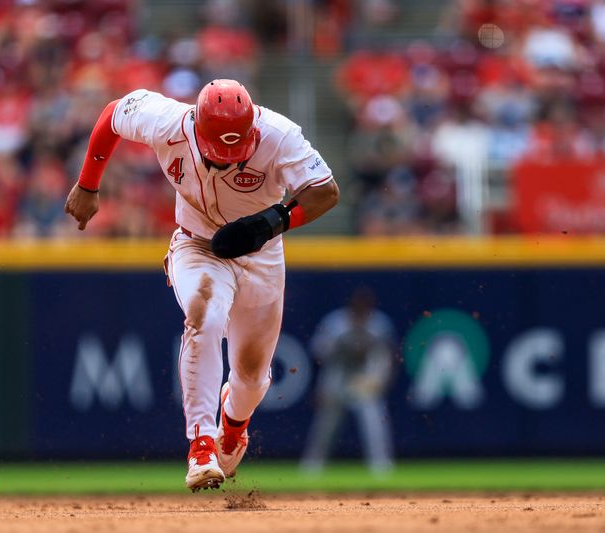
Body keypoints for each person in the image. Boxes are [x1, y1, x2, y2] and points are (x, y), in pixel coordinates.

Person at [64, 79, 339, 491]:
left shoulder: (279, 134)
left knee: (252, 377)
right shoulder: (166, 121)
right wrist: (88, 183)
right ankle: (202, 445)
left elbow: (326, 192)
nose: (228, 159)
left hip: (261, 255)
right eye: (219, 151)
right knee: (203, 317)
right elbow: (112, 115)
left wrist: (272, 221)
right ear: (197, 127)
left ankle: (233, 427)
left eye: (237, 149)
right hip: (197, 244)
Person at [301, 287, 395, 474]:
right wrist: (319, 387)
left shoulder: (379, 324)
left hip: (363, 378)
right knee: (326, 426)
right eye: (358, 306)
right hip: (337, 375)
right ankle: (312, 466)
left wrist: (379, 381)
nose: (361, 310)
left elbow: (387, 358)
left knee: (373, 422)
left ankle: (381, 467)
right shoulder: (335, 323)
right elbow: (318, 355)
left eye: (365, 306)